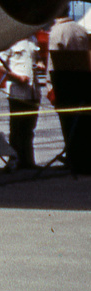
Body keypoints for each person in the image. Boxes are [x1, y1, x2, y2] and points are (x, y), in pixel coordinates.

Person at [46, 11, 91, 173]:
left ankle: (72, 157)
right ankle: (84, 159)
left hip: (64, 83)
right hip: (83, 82)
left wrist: (50, 87)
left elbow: (52, 62)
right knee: (83, 125)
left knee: (67, 122)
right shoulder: (81, 30)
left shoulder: (57, 32)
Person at [0, 36, 40, 170]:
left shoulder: (33, 39)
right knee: (16, 128)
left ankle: (28, 161)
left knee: (29, 129)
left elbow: (36, 59)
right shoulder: (10, 39)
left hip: (33, 91)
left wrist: (40, 63)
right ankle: (14, 160)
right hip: (18, 92)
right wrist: (17, 77)